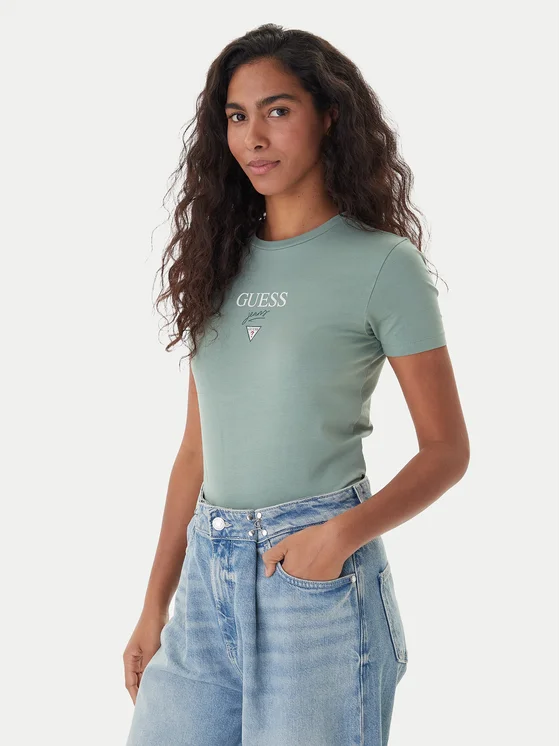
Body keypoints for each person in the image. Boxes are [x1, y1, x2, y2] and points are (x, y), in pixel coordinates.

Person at [123, 22, 470, 746]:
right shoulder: (216, 261)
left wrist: (338, 536)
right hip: (206, 581)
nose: (253, 137)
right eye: (236, 116)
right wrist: (155, 604)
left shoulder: (384, 265)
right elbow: (196, 452)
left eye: (277, 111)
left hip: (315, 585)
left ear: (329, 116)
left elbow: (446, 450)